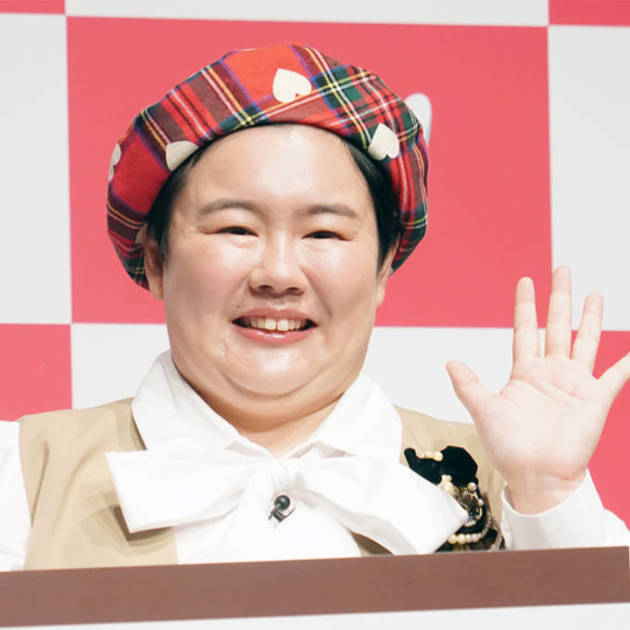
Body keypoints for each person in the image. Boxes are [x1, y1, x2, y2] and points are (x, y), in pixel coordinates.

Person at [0, 43, 628, 570]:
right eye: (236, 229)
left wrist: (550, 495)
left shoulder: (506, 484)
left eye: (323, 233)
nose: (278, 274)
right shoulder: (26, 477)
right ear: (158, 260)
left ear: (383, 267)